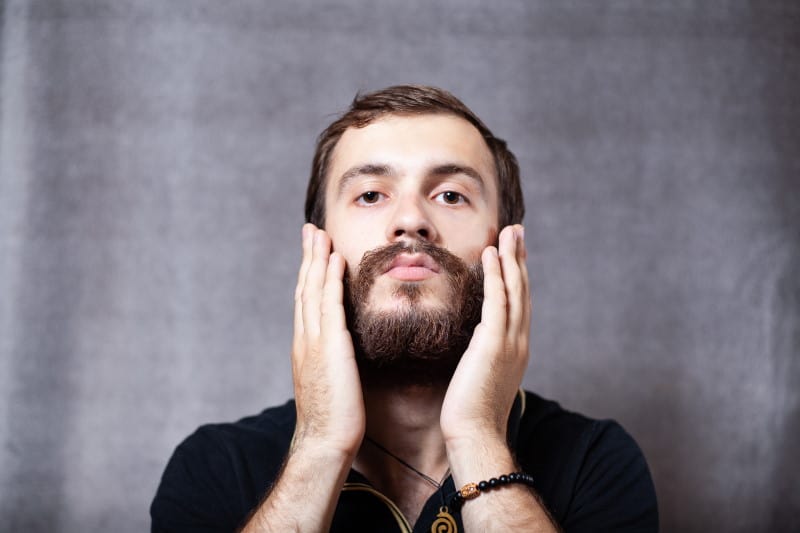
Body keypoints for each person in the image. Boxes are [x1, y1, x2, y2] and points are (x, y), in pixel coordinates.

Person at [151, 85, 658, 532]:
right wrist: (320, 448)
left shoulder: (596, 460)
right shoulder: (214, 466)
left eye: (451, 195)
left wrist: (478, 440)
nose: (411, 220)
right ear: (319, 248)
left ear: (507, 251)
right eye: (371, 194)